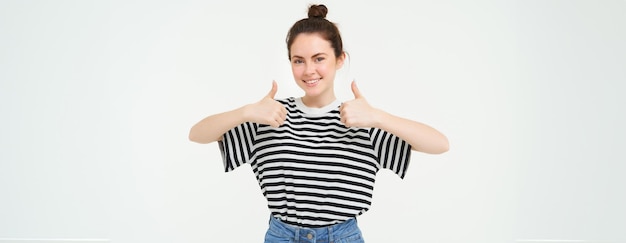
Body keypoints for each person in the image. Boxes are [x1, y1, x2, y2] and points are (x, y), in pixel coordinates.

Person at [189, 4, 449, 243]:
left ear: (339, 59)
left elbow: (440, 144)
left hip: (342, 236)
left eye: (319, 58)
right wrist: (246, 112)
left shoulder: (361, 119)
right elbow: (197, 134)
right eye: (298, 60)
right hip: (281, 236)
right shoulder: (270, 115)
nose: (308, 70)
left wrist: (378, 117)